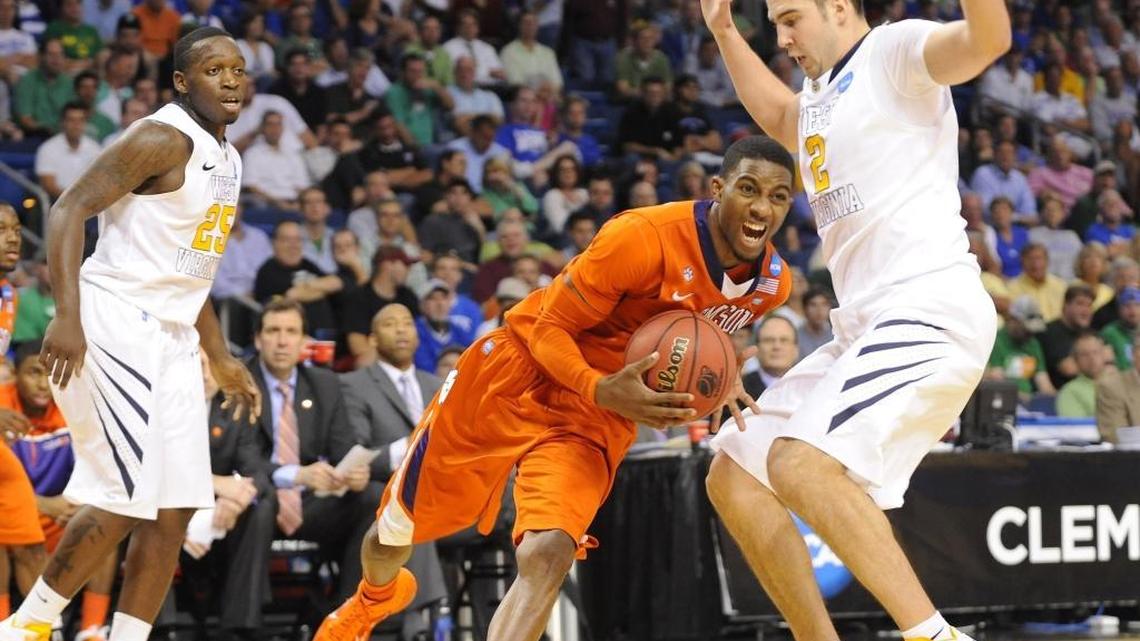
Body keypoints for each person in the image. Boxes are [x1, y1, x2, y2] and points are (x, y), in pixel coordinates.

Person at [312, 135, 795, 641]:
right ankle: (373, 597)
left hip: (594, 418)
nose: (762, 207)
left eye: (779, 196)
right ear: (718, 188)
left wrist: (723, 374)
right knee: (394, 532)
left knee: (550, 553)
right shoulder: (640, 237)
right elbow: (546, 329)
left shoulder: (773, 285)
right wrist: (598, 386)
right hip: (517, 375)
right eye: (748, 188)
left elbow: (706, 325)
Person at [701, 0, 1008, 640]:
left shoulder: (896, 54)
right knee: (734, 474)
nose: (782, 38)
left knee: (800, 463)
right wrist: (724, 31)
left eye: (790, 20)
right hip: (864, 326)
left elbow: (987, 39)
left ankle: (935, 636)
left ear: (839, 7)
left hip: (928, 309)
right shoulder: (817, 93)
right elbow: (782, 116)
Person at [1, 28, 261, 641]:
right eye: (213, 69)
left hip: (171, 334)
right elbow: (67, 209)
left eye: (238, 70)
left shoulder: (229, 156)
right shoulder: (160, 136)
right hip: (113, 321)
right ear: (180, 81)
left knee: (174, 508)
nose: (229, 80)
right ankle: (26, 627)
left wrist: (218, 354)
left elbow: (190, 266)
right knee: (123, 495)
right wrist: (67, 316)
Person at [6, 341, 119, 641]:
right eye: (33, 373)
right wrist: (40, 505)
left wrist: (77, 503)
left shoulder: (72, 404)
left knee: (103, 528)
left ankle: (91, 630)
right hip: (17, 514)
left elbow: (100, 467)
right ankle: (18, 626)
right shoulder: (2, 409)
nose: (44, 384)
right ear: (14, 374)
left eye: (49, 373)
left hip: (61, 514)